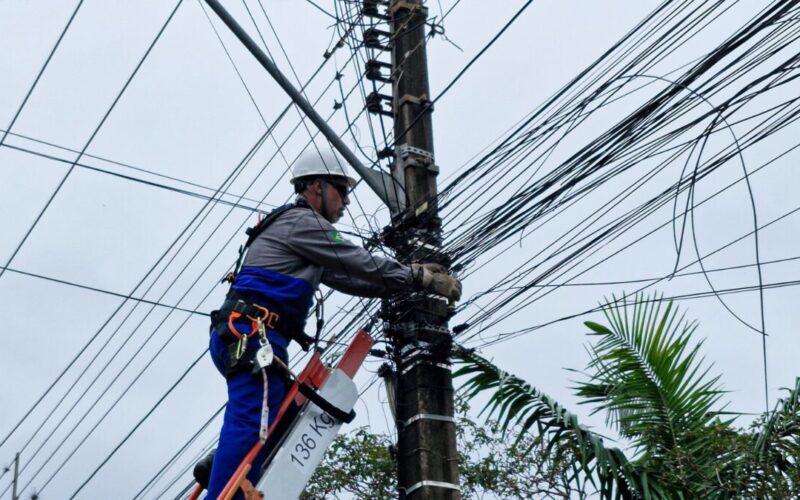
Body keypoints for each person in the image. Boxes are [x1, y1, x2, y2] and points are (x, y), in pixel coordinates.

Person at [202, 148, 462, 498]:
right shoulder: (303, 223)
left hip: (249, 335)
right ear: (316, 187)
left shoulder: (304, 238)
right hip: (251, 334)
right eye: (343, 191)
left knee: (280, 419)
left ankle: (221, 466)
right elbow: (355, 260)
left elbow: (353, 279)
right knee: (254, 423)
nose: (347, 202)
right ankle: (224, 485)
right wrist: (418, 277)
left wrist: (408, 281)